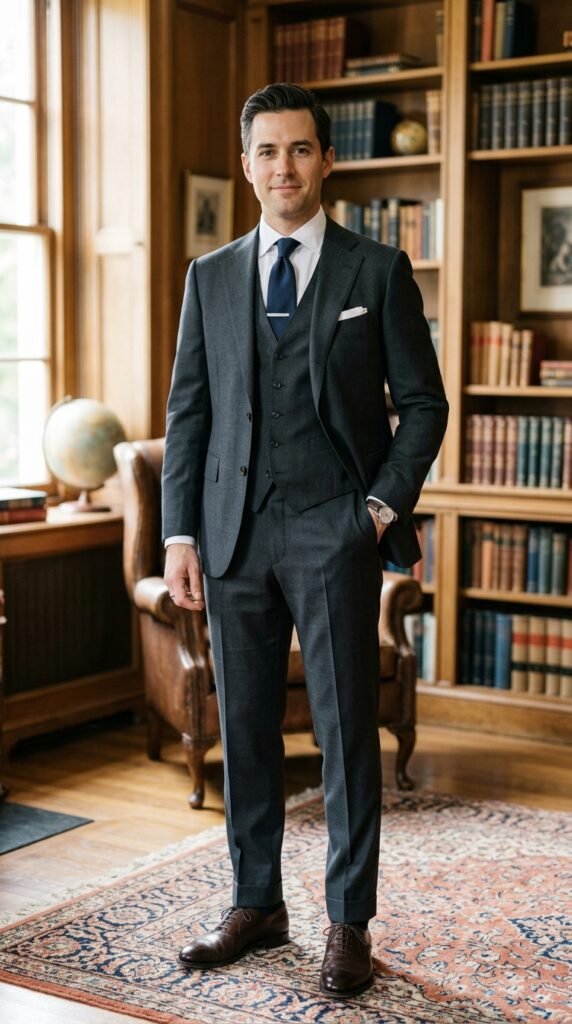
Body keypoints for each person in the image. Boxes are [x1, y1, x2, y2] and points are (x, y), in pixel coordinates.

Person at [162, 82, 448, 999]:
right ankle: (257, 903)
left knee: (343, 734)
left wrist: (374, 509)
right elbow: (189, 416)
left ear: (325, 161)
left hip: (335, 530)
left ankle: (347, 921)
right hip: (232, 536)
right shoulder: (209, 277)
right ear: (246, 165)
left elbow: (425, 406)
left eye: (299, 150)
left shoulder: (377, 271)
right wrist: (178, 534)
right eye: (266, 151)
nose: (282, 167)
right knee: (245, 731)